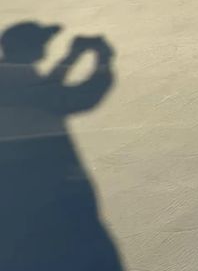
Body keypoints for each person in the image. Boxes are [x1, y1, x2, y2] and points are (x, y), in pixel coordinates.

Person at [0, 22, 121, 270]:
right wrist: (104, 61)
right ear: (33, 48)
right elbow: (82, 96)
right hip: (44, 185)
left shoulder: (13, 74)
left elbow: (46, 91)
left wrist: (71, 57)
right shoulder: (18, 80)